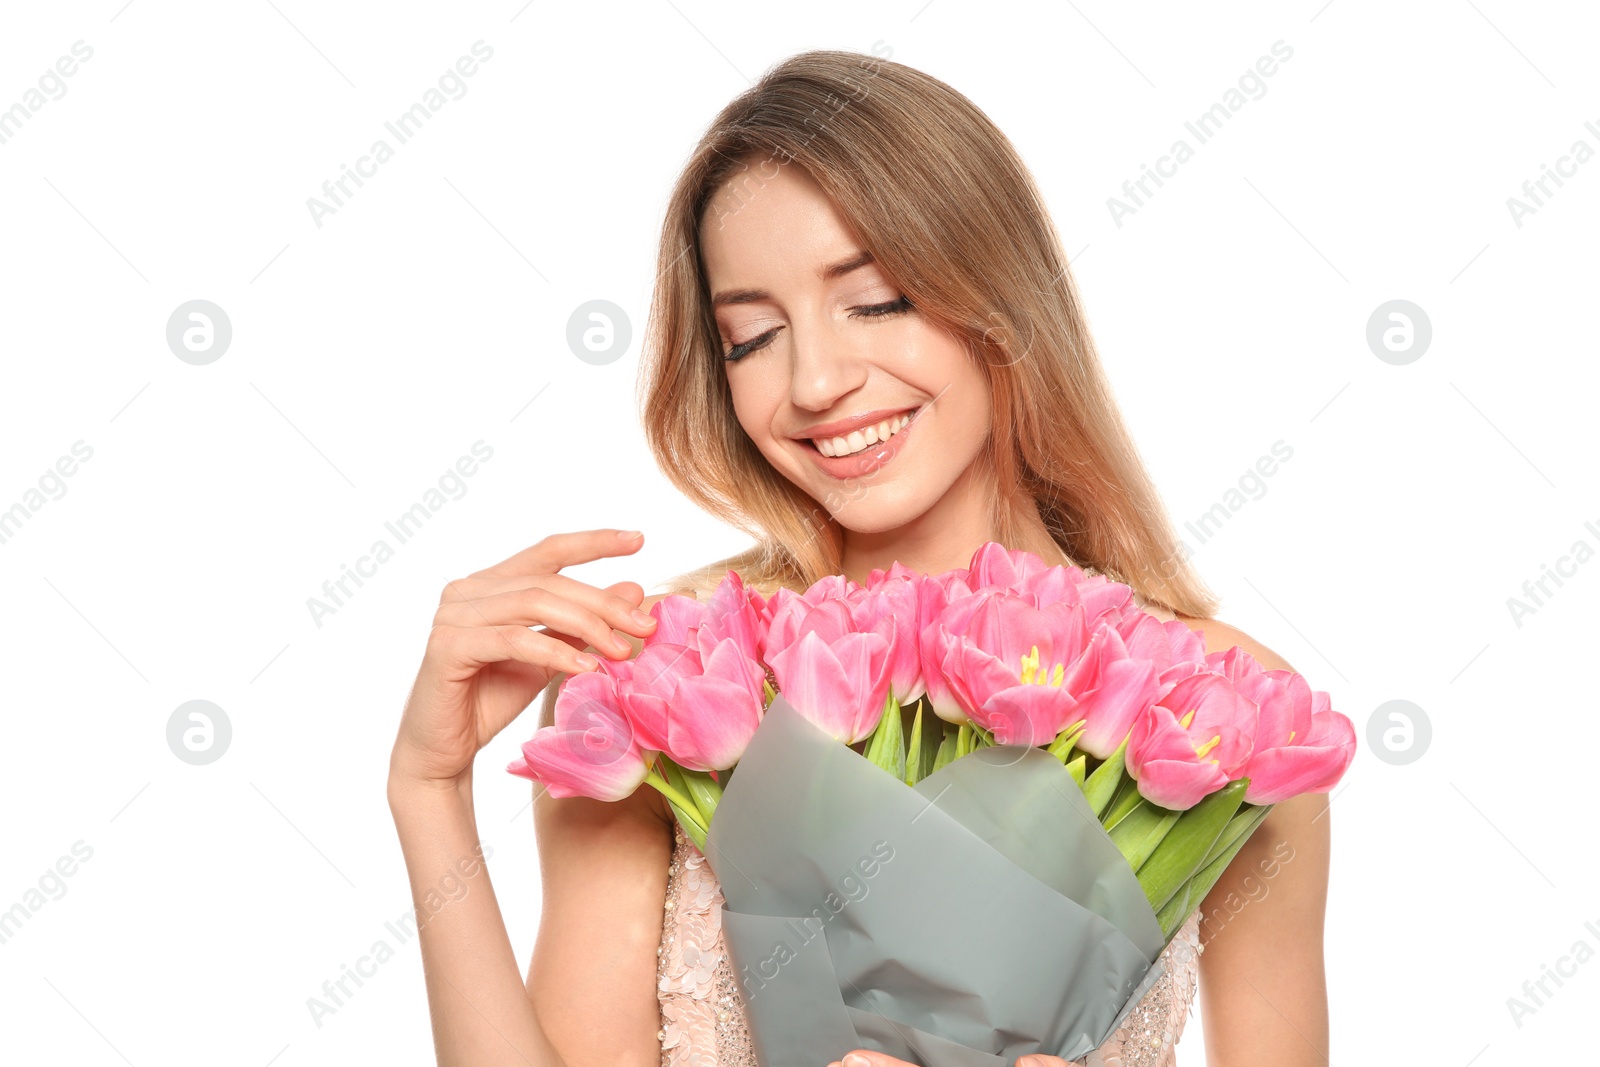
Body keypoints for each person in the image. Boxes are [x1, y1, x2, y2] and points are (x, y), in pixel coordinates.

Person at [387, 49, 1334, 1067]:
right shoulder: (664, 677)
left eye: (875, 301)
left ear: (1003, 298)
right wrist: (427, 790)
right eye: (751, 335)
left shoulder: (1224, 711)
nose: (816, 380)